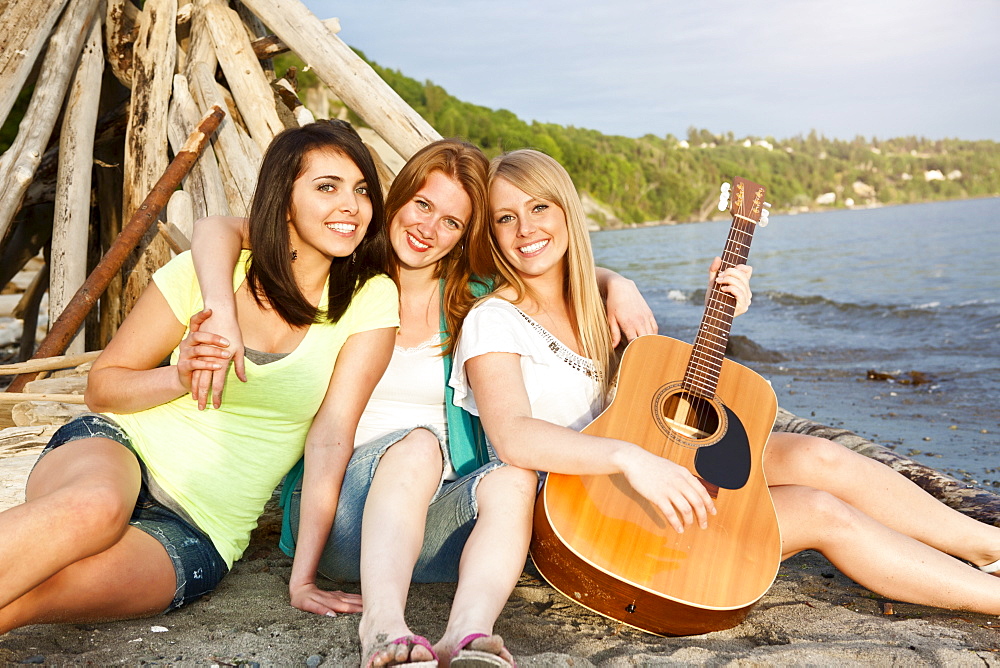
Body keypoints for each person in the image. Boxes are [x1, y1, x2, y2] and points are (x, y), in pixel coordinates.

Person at [450, 148, 1000, 642]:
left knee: (817, 455)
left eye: (540, 208)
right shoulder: (494, 318)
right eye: (506, 217)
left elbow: (656, 395)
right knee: (820, 511)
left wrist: (717, 309)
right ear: (492, 233)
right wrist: (629, 458)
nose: (525, 228)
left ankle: (986, 543)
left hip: (646, 472)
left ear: (568, 212)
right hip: (584, 513)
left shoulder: (599, 305)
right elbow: (513, 435)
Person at [189, 138, 654, 667]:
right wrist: (220, 310)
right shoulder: (345, 275)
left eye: (452, 222)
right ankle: (383, 628)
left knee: (513, 475)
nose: (429, 229)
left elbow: (549, 271)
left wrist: (618, 281)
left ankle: (467, 636)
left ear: (465, 235)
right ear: (399, 198)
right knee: (418, 445)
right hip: (348, 522)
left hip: (436, 525)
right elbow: (215, 229)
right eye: (423, 205)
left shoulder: (474, 299)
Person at [0, 120, 399, 633]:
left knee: (40, 592)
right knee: (92, 507)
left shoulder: (369, 299)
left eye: (362, 190)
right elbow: (102, 387)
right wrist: (179, 376)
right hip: (120, 449)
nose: (351, 205)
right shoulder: (207, 273)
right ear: (284, 201)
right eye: (327, 187)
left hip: (200, 527)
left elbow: (330, 438)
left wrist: (303, 578)